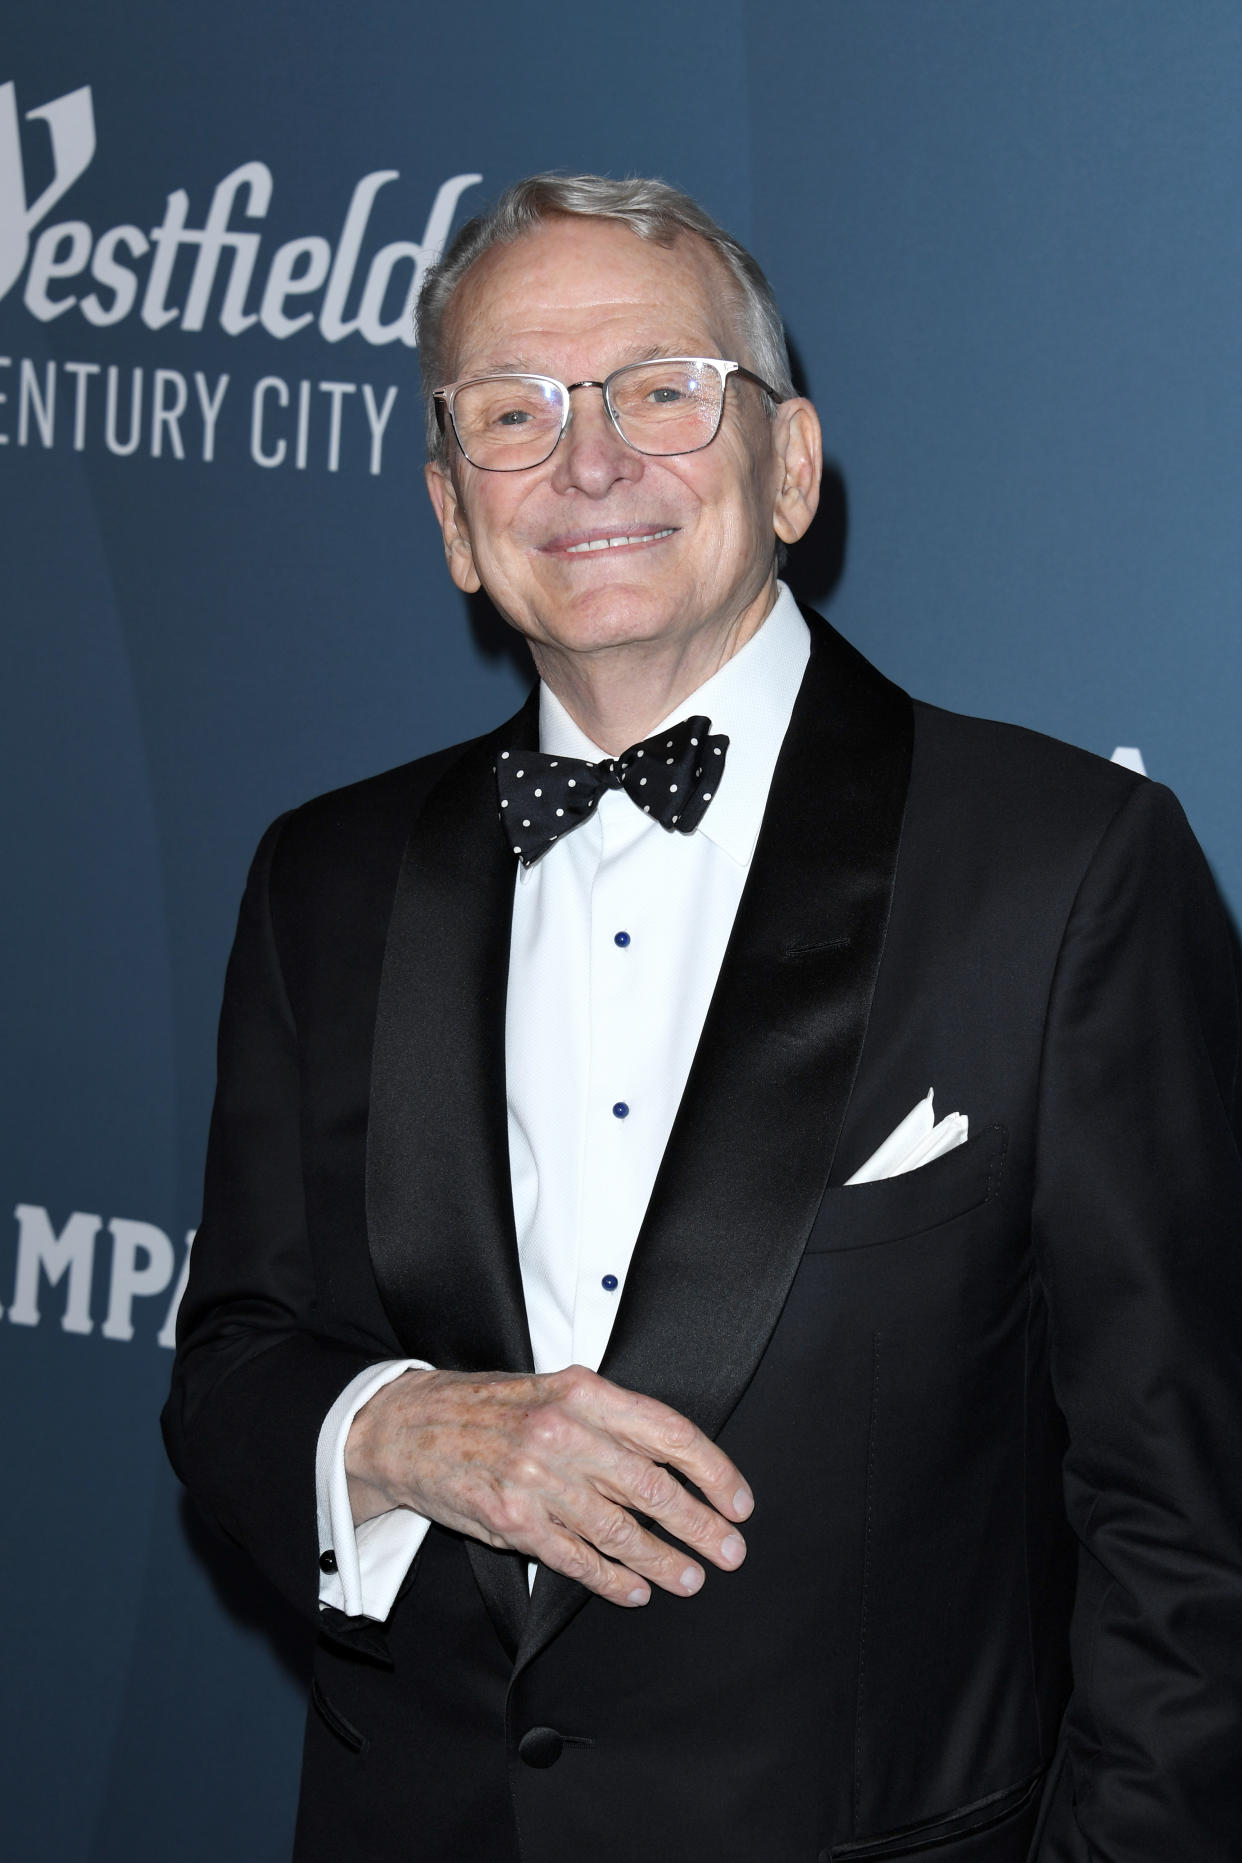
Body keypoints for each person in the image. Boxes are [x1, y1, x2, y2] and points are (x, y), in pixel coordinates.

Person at [162, 174, 1242, 1863]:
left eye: (660, 391)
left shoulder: (1064, 868)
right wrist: (390, 1433)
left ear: (789, 464)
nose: (588, 463)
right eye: (510, 414)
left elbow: (1192, 1529)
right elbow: (229, 1371)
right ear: (453, 514)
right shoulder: (327, 875)